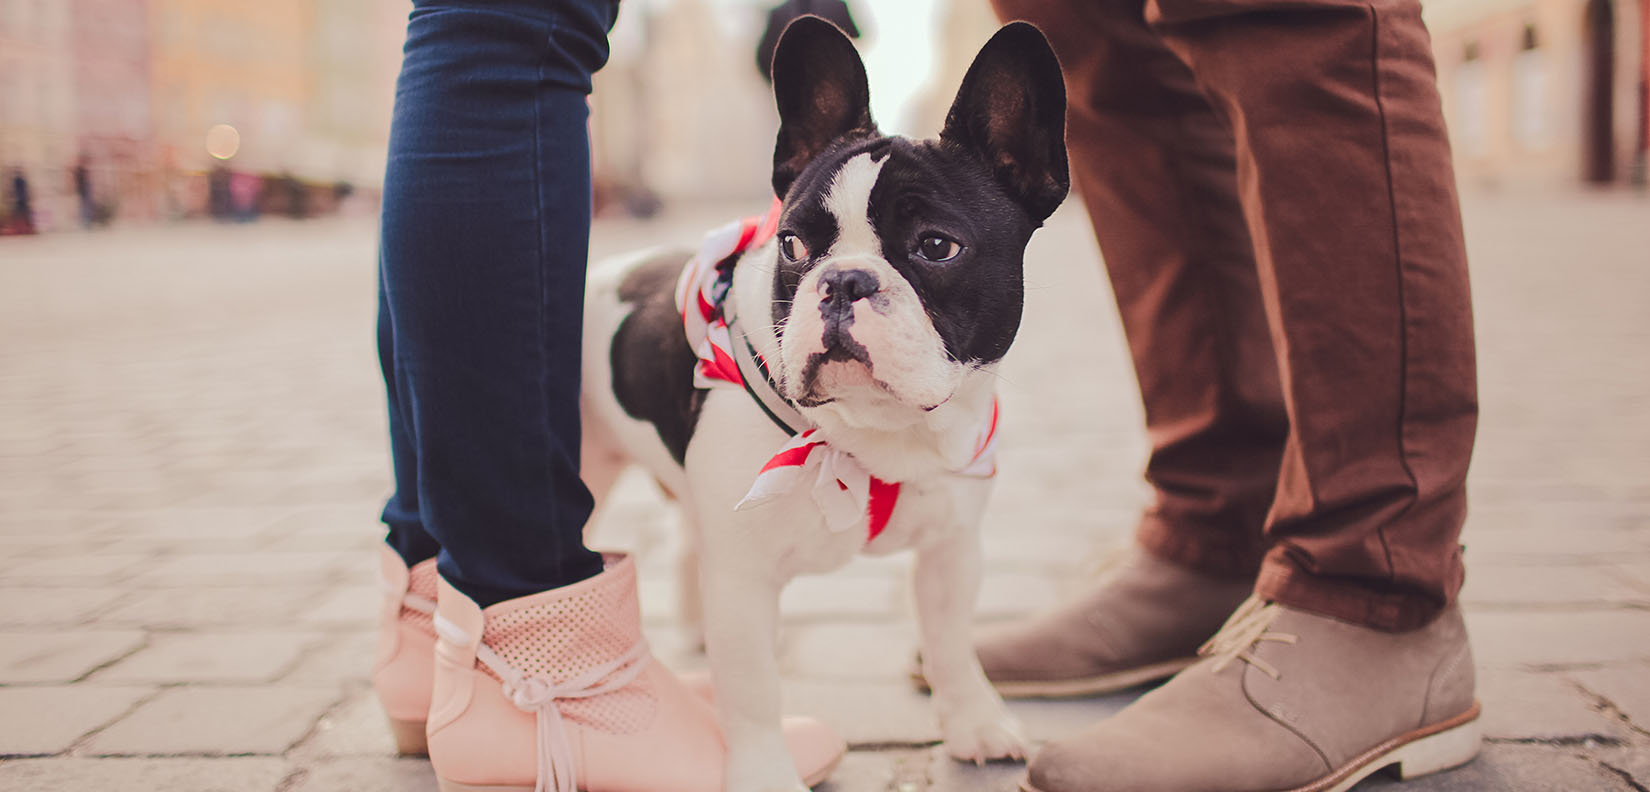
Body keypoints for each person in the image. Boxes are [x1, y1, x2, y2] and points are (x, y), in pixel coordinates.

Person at [968, 0, 1482, 790]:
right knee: (1095, 33)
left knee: (1285, 15)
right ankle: (1220, 528)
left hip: (1381, 585)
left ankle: (1378, 584)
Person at [368, 2, 842, 790]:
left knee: (484, 27)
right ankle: (536, 659)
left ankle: (442, 620)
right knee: (518, 27)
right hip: (535, 675)